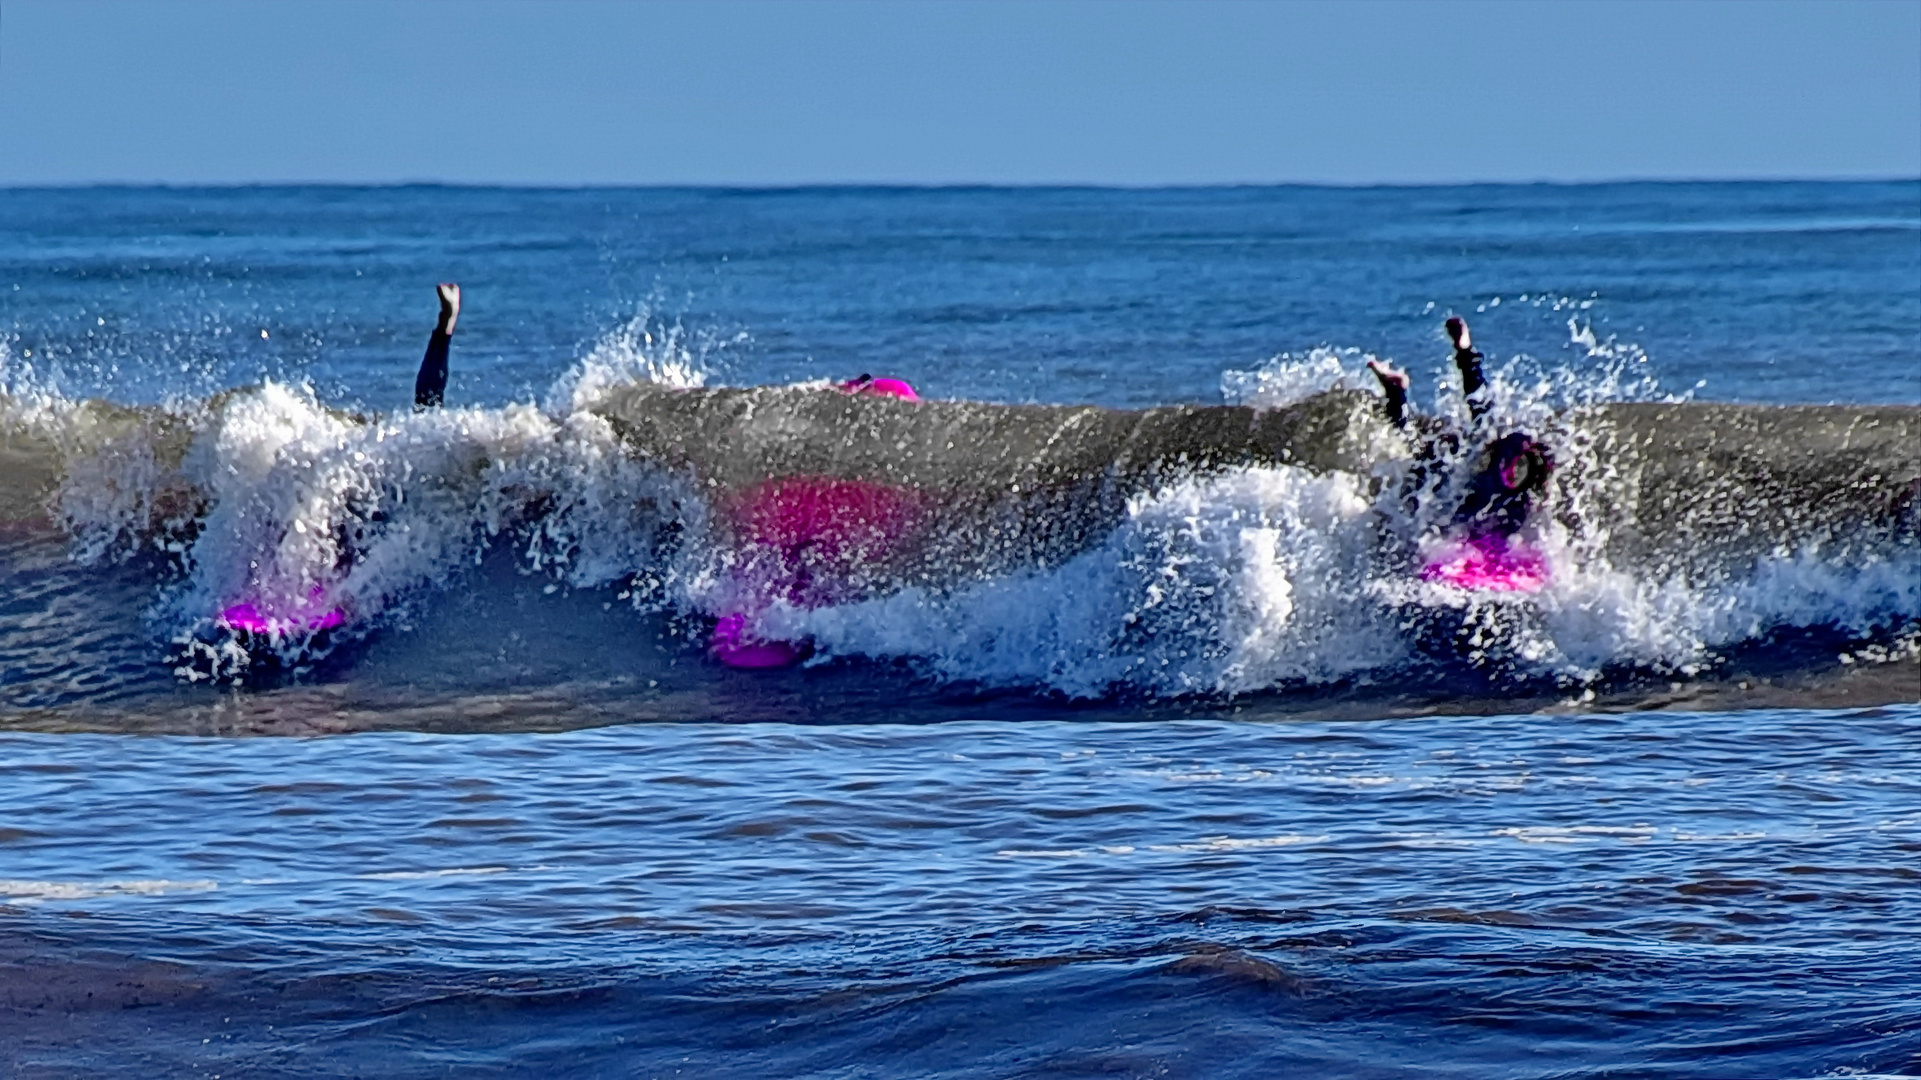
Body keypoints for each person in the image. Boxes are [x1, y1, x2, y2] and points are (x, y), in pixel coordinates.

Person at [1366, 317, 1554, 541]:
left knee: (1425, 449)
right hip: (1456, 464)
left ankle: (1397, 392)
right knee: (1424, 466)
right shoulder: (1492, 477)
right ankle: (1401, 390)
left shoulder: (1523, 486)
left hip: (1469, 459)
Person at [413, 282, 460, 410]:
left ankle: (449, 311)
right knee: (438, 350)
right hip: (430, 408)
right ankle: (450, 311)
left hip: (428, 408)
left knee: (424, 394)